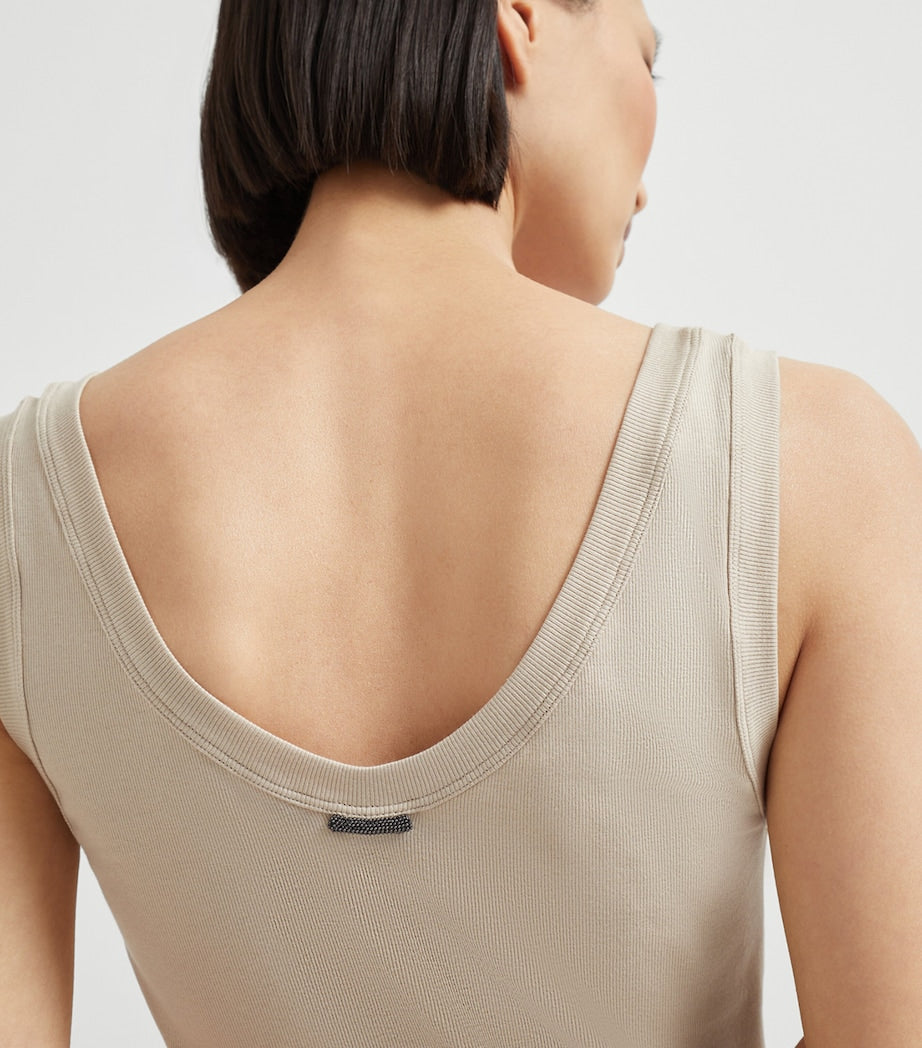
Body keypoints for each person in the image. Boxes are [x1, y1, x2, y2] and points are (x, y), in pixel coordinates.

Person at [1, 0, 920, 1044]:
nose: (646, 183)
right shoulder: (808, 461)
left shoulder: (24, 516)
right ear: (518, 19)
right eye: (646, 60)